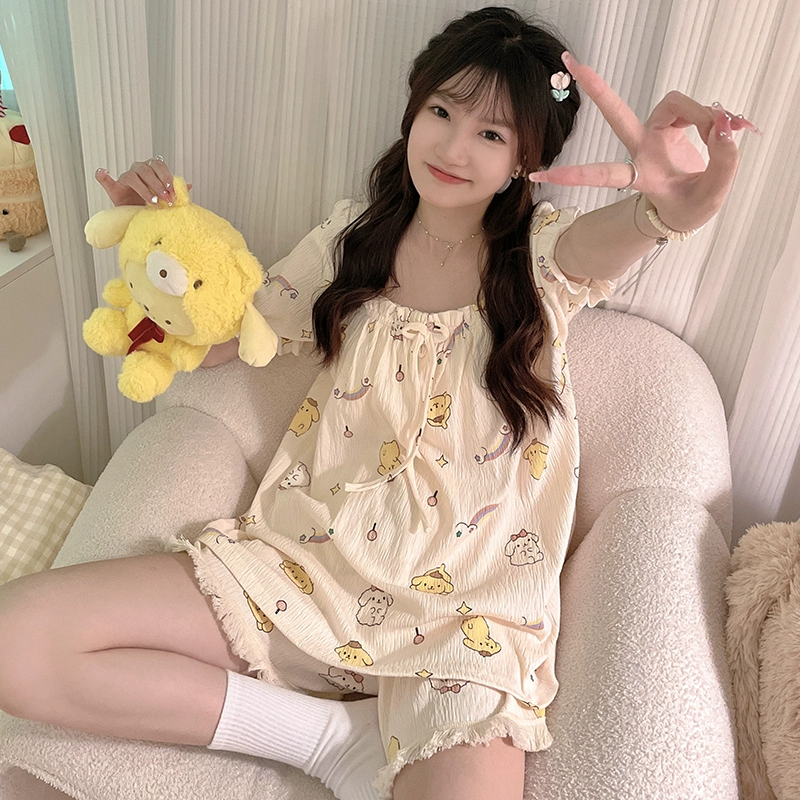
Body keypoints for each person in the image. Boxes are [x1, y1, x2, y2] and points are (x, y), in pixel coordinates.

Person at [0, 7, 756, 800]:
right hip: (305, 571)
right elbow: (229, 340)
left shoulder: (541, 259)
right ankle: (325, 739)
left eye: (491, 134)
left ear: (526, 160)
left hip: (464, 623)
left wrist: (662, 211)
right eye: (442, 112)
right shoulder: (348, 243)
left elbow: (615, 237)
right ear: (413, 108)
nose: (454, 147)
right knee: (19, 642)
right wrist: (157, 245)